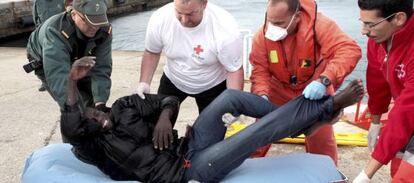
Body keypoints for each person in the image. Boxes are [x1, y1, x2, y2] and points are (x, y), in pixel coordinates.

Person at [62, 50, 365, 182]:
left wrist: (167, 116)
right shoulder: (97, 148)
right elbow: (73, 127)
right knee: (252, 136)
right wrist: (72, 82)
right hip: (188, 172)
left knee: (229, 98)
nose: (93, 118)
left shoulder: (124, 107)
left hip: (190, 144)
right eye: (88, 122)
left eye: (91, 112)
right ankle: (323, 109)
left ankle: (306, 121)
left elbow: (168, 98)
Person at [248, 0, 362, 163]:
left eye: (279, 23)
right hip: (278, 90)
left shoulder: (319, 25)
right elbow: (260, 70)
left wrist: (325, 79)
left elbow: (349, 50)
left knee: (321, 139)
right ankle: (247, 168)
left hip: (315, 89)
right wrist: (261, 95)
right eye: (270, 21)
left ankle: (327, 176)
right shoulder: (263, 35)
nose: (273, 27)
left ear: (297, 17)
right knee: (258, 133)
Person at [135, 0, 244, 113]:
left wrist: (233, 104)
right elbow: (152, 52)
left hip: (212, 84)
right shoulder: (160, 18)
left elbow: (234, 70)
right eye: (179, 12)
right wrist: (144, 83)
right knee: (157, 121)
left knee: (208, 129)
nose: (184, 20)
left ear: (204, 4)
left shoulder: (225, 28)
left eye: (190, 14)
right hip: (174, 79)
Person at [353, 0, 414, 182]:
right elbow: (377, 81)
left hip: (409, 111)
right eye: (362, 22)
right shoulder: (379, 39)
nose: (364, 31)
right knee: (398, 166)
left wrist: (367, 173)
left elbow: (405, 113)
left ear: (399, 18)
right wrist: (375, 121)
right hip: (408, 111)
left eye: (370, 24)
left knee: (407, 177)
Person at [26, 0, 113, 111]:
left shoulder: (104, 29)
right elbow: (58, 75)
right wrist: (74, 111)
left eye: (98, 22)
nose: (94, 27)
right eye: (88, 22)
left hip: (78, 54)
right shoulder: (56, 31)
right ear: (74, 14)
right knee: (76, 108)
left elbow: (102, 67)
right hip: (46, 59)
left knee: (93, 102)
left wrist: (101, 104)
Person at [32, 0, 67, 91]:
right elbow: (36, 18)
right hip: (44, 34)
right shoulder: (38, 2)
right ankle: (46, 82)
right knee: (43, 59)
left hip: (61, 33)